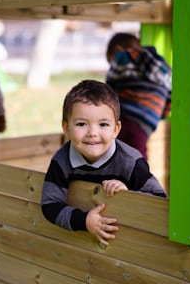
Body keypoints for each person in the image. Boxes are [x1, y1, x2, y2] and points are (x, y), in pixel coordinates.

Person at [41, 80, 166, 246]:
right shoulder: (62, 160)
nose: (93, 133)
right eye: (81, 124)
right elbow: (50, 204)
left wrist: (129, 195)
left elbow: (159, 200)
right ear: (66, 128)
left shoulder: (131, 161)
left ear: (116, 129)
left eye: (103, 124)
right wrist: (84, 221)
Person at [105, 32, 172, 159]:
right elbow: (169, 102)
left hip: (123, 116)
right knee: (137, 154)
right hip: (147, 122)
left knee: (112, 153)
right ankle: (141, 177)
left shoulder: (122, 56)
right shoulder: (165, 69)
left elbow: (108, 90)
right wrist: (156, 115)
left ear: (118, 49)